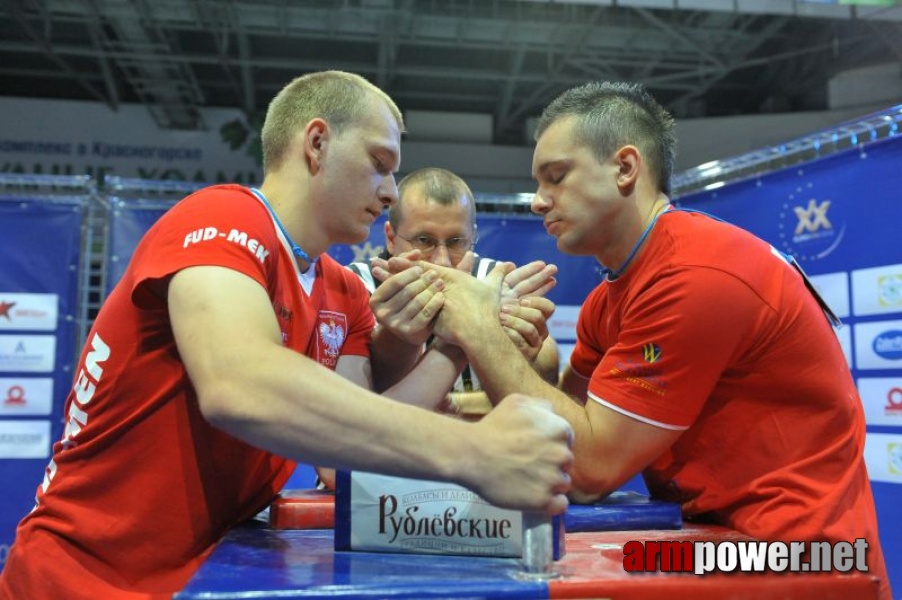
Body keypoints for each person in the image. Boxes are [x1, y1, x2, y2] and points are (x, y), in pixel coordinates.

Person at [0, 71, 574, 600]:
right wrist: (476, 451)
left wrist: (461, 338)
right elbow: (239, 385)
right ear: (317, 143)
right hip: (79, 577)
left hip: (197, 576)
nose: (392, 191)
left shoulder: (342, 293)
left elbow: (342, 462)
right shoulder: (224, 218)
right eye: (380, 163)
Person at [384, 81, 889, 598]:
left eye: (556, 178)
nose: (538, 202)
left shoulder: (695, 274)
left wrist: (477, 329)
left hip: (806, 556)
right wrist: (501, 361)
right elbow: (566, 424)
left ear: (625, 168)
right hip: (712, 538)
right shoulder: (611, 297)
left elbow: (588, 469)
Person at [348, 167, 560, 414]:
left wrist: (526, 347)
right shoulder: (354, 286)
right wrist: (478, 327)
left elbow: (547, 371)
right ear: (391, 238)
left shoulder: (494, 281)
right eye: (424, 241)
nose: (442, 261)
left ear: (473, 236)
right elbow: (350, 402)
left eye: (456, 242)